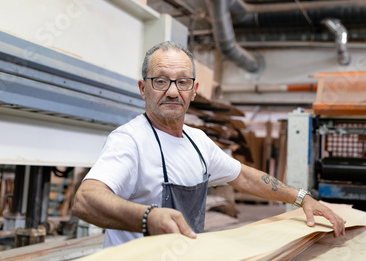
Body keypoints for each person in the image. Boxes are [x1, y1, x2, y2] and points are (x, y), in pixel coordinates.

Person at [72, 41, 345, 247]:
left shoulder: (197, 141)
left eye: (182, 82)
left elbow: (245, 177)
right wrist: (148, 218)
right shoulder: (130, 140)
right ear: (144, 89)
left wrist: (301, 198)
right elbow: (85, 200)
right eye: (161, 81)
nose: (171, 91)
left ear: (193, 91)